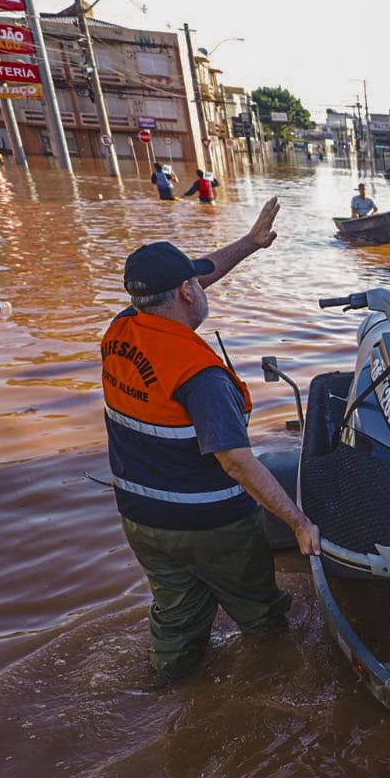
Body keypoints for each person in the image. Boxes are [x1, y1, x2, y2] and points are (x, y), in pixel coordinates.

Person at [101, 198, 322, 681]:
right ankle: (276, 679)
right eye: (195, 285)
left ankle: (169, 687)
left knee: (176, 616)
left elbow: (201, 272)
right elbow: (238, 464)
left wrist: (250, 244)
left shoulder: (123, 327)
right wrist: (299, 522)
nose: (203, 286)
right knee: (263, 617)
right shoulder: (200, 375)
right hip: (209, 524)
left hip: (140, 517)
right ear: (185, 292)